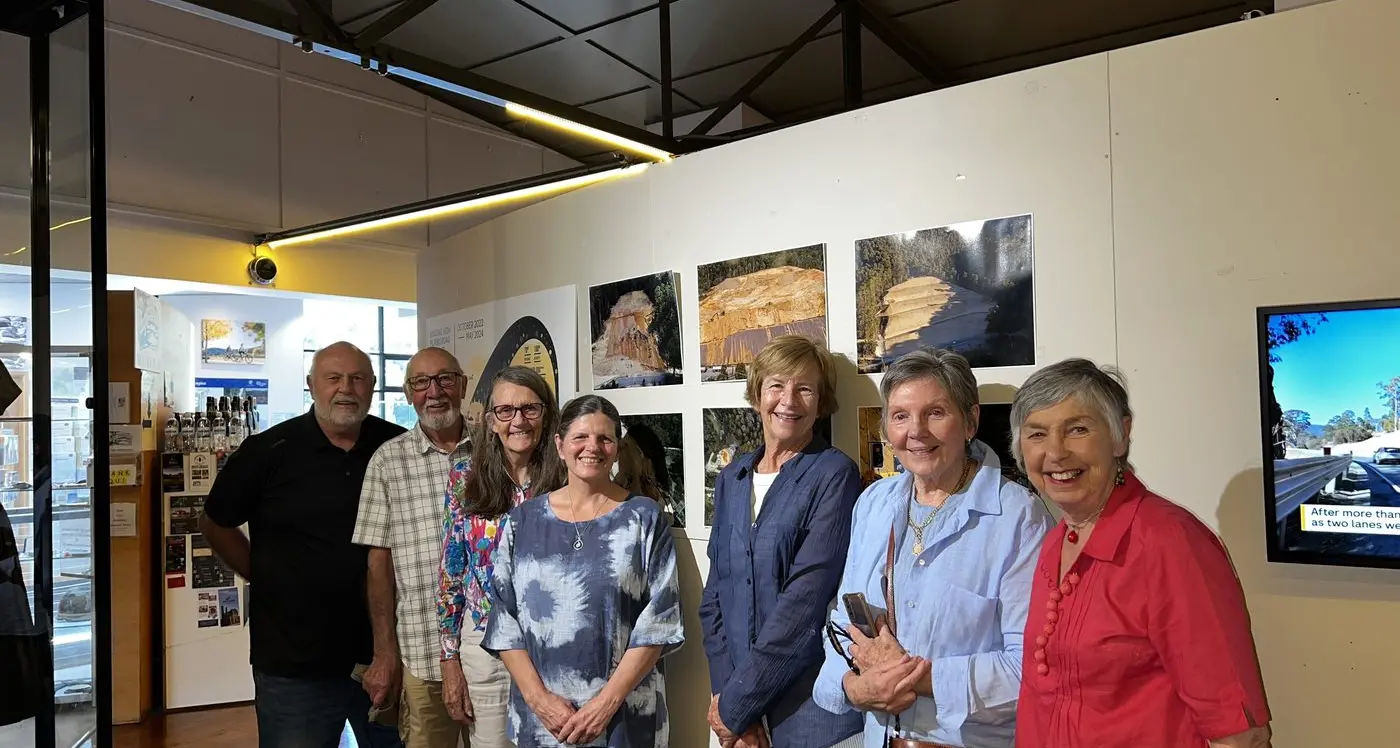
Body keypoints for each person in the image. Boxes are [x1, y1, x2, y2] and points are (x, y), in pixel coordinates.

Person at [1010, 358, 1272, 748]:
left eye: (1077, 429)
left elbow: (1239, 730)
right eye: (1036, 434)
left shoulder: (1171, 542)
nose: (1056, 452)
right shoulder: (1057, 540)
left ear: (1120, 435)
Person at [813, 348, 1053, 748]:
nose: (916, 431)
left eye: (936, 413)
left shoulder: (1017, 518)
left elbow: (1031, 666)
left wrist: (919, 679)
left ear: (971, 421)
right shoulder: (873, 503)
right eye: (900, 415)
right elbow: (842, 621)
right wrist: (852, 686)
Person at [200, 341, 405, 748]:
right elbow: (215, 523)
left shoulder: (396, 448)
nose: (346, 388)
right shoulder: (268, 451)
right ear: (311, 385)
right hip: (294, 660)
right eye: (333, 378)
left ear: (373, 385)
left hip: (385, 651)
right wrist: (263, 573)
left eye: (358, 378)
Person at [482, 394, 684, 747]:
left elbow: (659, 624)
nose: (593, 447)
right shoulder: (522, 522)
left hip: (624, 718)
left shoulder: (643, 518)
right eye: (581, 437)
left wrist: (604, 705)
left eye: (605, 438)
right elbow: (503, 621)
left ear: (617, 448)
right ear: (560, 446)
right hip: (543, 722)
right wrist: (539, 702)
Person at [699, 335, 864, 748]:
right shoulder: (730, 480)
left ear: (821, 402)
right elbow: (713, 601)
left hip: (808, 716)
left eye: (804, 388)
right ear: (757, 394)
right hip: (736, 713)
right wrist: (729, 707)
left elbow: (804, 607)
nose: (788, 400)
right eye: (776, 385)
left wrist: (736, 709)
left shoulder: (835, 476)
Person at [352, 347, 475, 748]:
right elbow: (378, 564)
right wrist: (384, 652)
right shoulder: (387, 461)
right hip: (422, 652)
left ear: (463, 385)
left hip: (493, 650)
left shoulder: (495, 452)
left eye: (445, 379)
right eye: (421, 383)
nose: (434, 391)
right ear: (408, 393)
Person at [437, 367, 566, 743]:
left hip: (552, 643)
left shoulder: (566, 477)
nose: (518, 421)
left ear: (547, 414)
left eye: (530, 409)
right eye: (506, 411)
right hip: (485, 641)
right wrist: (449, 659)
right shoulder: (466, 477)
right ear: (491, 421)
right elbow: (452, 571)